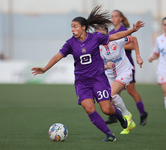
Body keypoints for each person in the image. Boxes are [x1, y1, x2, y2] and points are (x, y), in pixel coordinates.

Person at [31, 5, 144, 141]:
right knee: (89, 108)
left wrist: (132, 30)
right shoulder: (70, 43)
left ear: (83, 27)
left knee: (107, 110)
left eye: (75, 26)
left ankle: (122, 118)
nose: (72, 29)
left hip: (98, 79)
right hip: (81, 81)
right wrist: (44, 69)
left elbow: (115, 36)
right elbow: (57, 56)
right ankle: (109, 135)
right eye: (71, 27)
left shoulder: (95, 37)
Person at [95, 26, 143, 134]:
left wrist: (138, 57)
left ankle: (126, 114)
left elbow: (134, 39)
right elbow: (97, 64)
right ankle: (129, 125)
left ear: (107, 32)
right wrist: (106, 66)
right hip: (110, 75)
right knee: (110, 99)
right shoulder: (97, 47)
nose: (98, 32)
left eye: (100, 30)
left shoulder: (116, 39)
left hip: (125, 71)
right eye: (96, 31)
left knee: (111, 94)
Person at [105, 9, 148, 126]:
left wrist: (118, 45)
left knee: (131, 90)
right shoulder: (111, 32)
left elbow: (132, 45)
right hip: (114, 68)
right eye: (112, 16)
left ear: (121, 18)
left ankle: (143, 113)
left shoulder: (123, 30)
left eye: (115, 16)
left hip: (126, 65)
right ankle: (114, 115)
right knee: (115, 91)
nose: (113, 18)